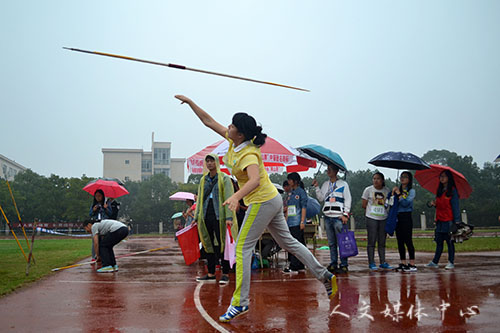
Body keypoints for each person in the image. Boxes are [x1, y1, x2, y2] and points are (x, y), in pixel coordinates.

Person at [175, 95, 337, 323]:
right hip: (271, 200)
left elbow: (255, 181)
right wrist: (191, 103)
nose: (227, 127)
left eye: (231, 125)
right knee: (288, 243)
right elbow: (209, 121)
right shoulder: (233, 142)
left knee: (242, 248)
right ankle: (325, 275)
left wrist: (236, 196)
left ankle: (240, 302)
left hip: (262, 201)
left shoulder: (249, 153)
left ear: (240, 133)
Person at [194, 154, 237, 285]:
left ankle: (225, 273)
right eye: (207, 161)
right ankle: (211, 273)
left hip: (221, 216)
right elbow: (200, 198)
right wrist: (196, 216)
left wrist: (229, 216)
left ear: (216, 162)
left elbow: (229, 197)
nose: (209, 163)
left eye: (212, 160)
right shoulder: (203, 180)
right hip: (206, 214)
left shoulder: (224, 178)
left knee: (223, 244)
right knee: (208, 244)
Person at [313, 164, 352, 274]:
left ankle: (344, 264)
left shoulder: (343, 184)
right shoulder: (326, 184)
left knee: (342, 242)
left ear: (336, 171)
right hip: (327, 216)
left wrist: (345, 214)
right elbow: (321, 198)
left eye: (330, 169)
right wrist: (316, 187)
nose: (328, 171)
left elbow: (348, 199)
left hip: (338, 217)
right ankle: (333, 263)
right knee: (331, 243)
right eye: (327, 169)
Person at [426, 170, 460, 270]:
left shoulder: (452, 190)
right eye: (440, 176)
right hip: (440, 220)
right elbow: (439, 204)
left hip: (449, 220)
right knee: (439, 241)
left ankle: (451, 261)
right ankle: (435, 261)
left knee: (450, 242)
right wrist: (433, 204)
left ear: (449, 178)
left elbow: (455, 206)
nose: (442, 178)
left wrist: (457, 221)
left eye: (444, 176)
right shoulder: (440, 191)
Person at [362, 172, 393, 271]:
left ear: (382, 180)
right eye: (374, 178)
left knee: (382, 241)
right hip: (371, 217)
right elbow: (364, 204)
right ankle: (371, 262)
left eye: (378, 179)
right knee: (371, 241)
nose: (375, 180)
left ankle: (383, 262)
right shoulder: (368, 190)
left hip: (383, 218)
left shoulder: (387, 190)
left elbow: (389, 203)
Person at [392, 171, 417, 272]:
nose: (403, 179)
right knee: (400, 241)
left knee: (408, 240)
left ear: (409, 179)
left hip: (406, 216)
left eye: (405, 177)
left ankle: (412, 263)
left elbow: (406, 203)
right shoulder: (398, 189)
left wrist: (399, 194)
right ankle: (403, 262)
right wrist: (393, 193)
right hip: (398, 216)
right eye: (402, 177)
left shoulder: (411, 191)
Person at [283, 172, 308, 273]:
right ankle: (300, 265)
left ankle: (294, 266)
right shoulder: (290, 193)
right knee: (298, 243)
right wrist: (285, 220)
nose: (289, 182)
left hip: (297, 222)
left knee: (295, 244)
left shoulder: (301, 192)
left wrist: (302, 221)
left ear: (295, 181)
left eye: (290, 180)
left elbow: (303, 207)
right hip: (290, 222)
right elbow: (289, 209)